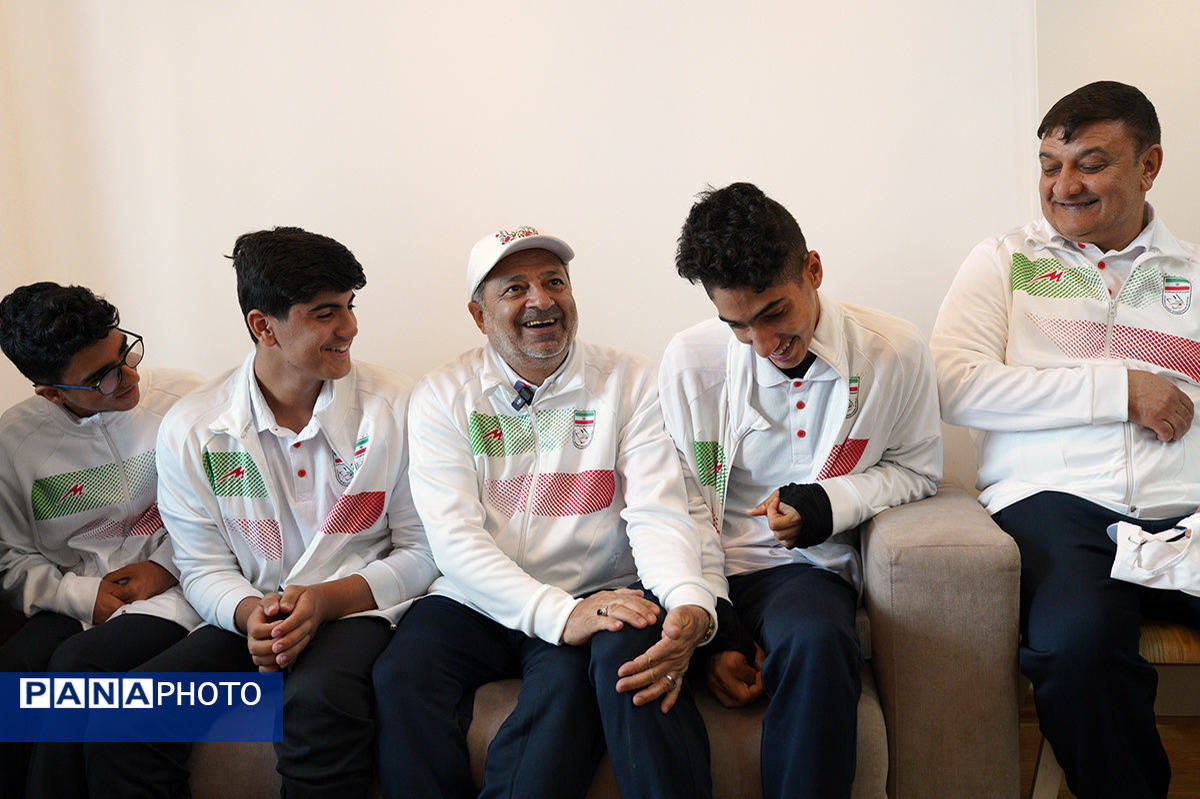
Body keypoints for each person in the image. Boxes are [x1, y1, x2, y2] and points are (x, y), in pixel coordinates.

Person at [85, 227, 437, 799]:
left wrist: (324, 601)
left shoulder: (397, 406)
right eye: (325, 313)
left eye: (350, 307)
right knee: (128, 719)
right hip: (254, 619)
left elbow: (423, 551)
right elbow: (201, 566)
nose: (349, 327)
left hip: (362, 610)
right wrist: (251, 614)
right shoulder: (194, 427)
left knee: (316, 701)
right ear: (263, 326)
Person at [373, 226, 718, 799]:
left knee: (563, 697)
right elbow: (454, 540)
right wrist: (557, 615)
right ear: (479, 316)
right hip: (473, 598)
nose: (541, 300)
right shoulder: (442, 395)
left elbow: (658, 511)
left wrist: (684, 597)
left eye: (554, 282)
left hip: (595, 591)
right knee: (400, 676)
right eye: (515, 288)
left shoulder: (631, 381)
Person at [931, 81, 1200, 799]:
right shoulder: (1008, 260)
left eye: (1091, 163)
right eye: (1050, 165)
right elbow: (954, 384)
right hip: (1055, 503)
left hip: (1188, 508)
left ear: (1149, 166)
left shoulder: (1194, 272)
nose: (1064, 185)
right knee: (1076, 646)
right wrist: (1120, 391)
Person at [661, 182, 942, 799]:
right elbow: (679, 505)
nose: (763, 344)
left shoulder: (893, 352)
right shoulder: (688, 362)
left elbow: (919, 471)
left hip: (803, 572)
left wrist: (829, 505)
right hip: (702, 567)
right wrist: (715, 630)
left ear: (813, 270)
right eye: (737, 325)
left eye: (773, 314)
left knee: (818, 642)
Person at [0, 282, 202, 799]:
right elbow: (12, 556)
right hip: (78, 599)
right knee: (15, 672)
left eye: (125, 352)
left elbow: (236, 510)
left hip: (178, 591)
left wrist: (167, 566)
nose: (129, 377)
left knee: (75, 669)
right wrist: (82, 596)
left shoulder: (187, 399)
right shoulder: (14, 442)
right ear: (51, 393)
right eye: (102, 377)